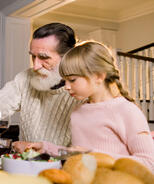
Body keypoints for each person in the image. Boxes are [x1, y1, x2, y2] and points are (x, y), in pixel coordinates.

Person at [19, 41, 154, 171]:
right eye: (64, 80)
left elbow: (148, 163)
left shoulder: (127, 111)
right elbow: (78, 154)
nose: (66, 87)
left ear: (99, 76)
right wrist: (47, 148)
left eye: (72, 80)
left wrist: (91, 155)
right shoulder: (78, 111)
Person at [0, 23, 80, 148]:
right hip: (24, 164)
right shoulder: (25, 78)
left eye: (44, 58)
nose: (35, 66)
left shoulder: (83, 92)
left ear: (67, 57)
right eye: (33, 56)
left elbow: (86, 152)